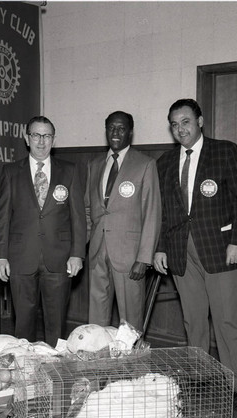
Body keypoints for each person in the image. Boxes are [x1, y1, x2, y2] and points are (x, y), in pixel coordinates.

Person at [153, 98, 237, 412]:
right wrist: (159, 247)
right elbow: (164, 212)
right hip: (181, 251)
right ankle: (199, 381)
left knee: (226, 320)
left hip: (221, 249)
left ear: (200, 121)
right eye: (174, 124)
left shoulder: (225, 151)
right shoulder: (165, 163)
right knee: (193, 320)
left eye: (185, 121)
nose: (180, 128)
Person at [0, 116, 86, 346]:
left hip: (59, 258)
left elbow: (78, 217)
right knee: (23, 324)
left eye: (47, 136)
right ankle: (26, 371)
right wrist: (0, 256)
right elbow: (2, 218)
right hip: (21, 257)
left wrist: (77, 254)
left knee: (56, 325)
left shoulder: (70, 171)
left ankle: (55, 373)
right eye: (36, 135)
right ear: (27, 138)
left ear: (54, 140)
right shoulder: (11, 171)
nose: (41, 141)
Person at [85, 111, 161, 332]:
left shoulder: (145, 164)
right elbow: (88, 208)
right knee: (95, 320)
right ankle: (97, 362)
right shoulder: (94, 163)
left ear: (131, 132)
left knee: (130, 321)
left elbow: (152, 213)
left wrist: (144, 258)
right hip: (98, 251)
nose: (115, 133)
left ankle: (132, 364)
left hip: (130, 256)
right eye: (111, 128)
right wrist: (80, 249)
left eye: (121, 128)